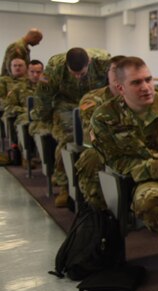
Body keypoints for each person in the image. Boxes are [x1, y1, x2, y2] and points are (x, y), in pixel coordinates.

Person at [91, 57, 158, 239]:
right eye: (136, 82)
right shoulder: (105, 117)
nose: (146, 87)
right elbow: (116, 162)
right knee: (148, 202)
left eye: (148, 79)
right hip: (147, 179)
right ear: (120, 88)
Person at [33, 48, 110, 207]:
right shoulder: (55, 67)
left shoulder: (104, 62)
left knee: (98, 139)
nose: (77, 77)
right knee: (67, 138)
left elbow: (115, 85)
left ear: (89, 62)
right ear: (66, 65)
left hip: (94, 103)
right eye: (73, 73)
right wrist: (45, 120)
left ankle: (98, 182)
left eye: (81, 74)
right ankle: (64, 185)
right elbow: (43, 95)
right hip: (67, 104)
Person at [74, 56, 125, 210]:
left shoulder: (140, 96)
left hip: (133, 148)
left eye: (124, 71)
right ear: (107, 73)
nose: (118, 76)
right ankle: (97, 211)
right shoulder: (92, 99)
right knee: (92, 157)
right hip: (102, 148)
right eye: (115, 71)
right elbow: (96, 133)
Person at [1, 59, 44, 168]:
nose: (35, 75)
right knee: (24, 124)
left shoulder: (48, 88)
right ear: (27, 72)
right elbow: (8, 106)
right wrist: (25, 111)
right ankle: (26, 157)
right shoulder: (18, 88)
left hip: (44, 118)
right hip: (26, 118)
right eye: (32, 72)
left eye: (38, 72)